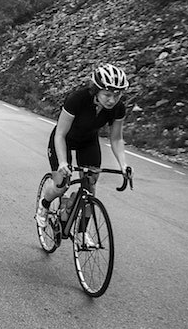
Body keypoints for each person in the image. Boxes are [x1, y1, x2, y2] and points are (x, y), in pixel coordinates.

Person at [36, 64, 130, 247]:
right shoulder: (77, 100)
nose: (112, 100)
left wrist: (123, 165)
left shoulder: (118, 108)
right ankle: (44, 205)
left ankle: (82, 232)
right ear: (96, 90)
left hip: (88, 142)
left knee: (90, 186)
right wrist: (63, 162)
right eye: (107, 95)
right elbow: (60, 134)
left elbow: (117, 139)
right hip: (64, 139)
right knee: (61, 184)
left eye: (117, 95)